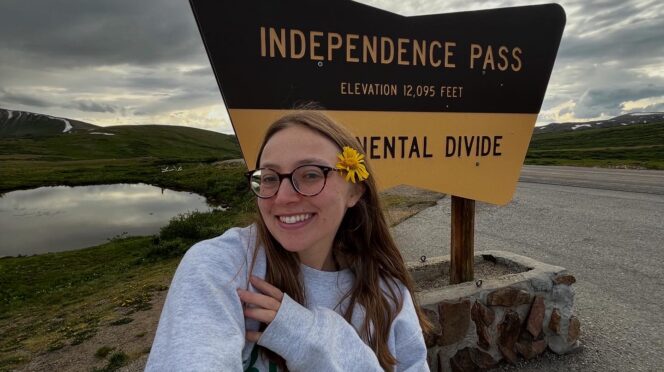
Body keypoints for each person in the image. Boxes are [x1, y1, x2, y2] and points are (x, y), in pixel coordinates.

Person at [145, 110, 431, 371]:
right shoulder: (220, 267)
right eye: (269, 178)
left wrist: (311, 339)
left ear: (354, 191)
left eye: (310, 174)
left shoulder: (388, 295)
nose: (282, 197)